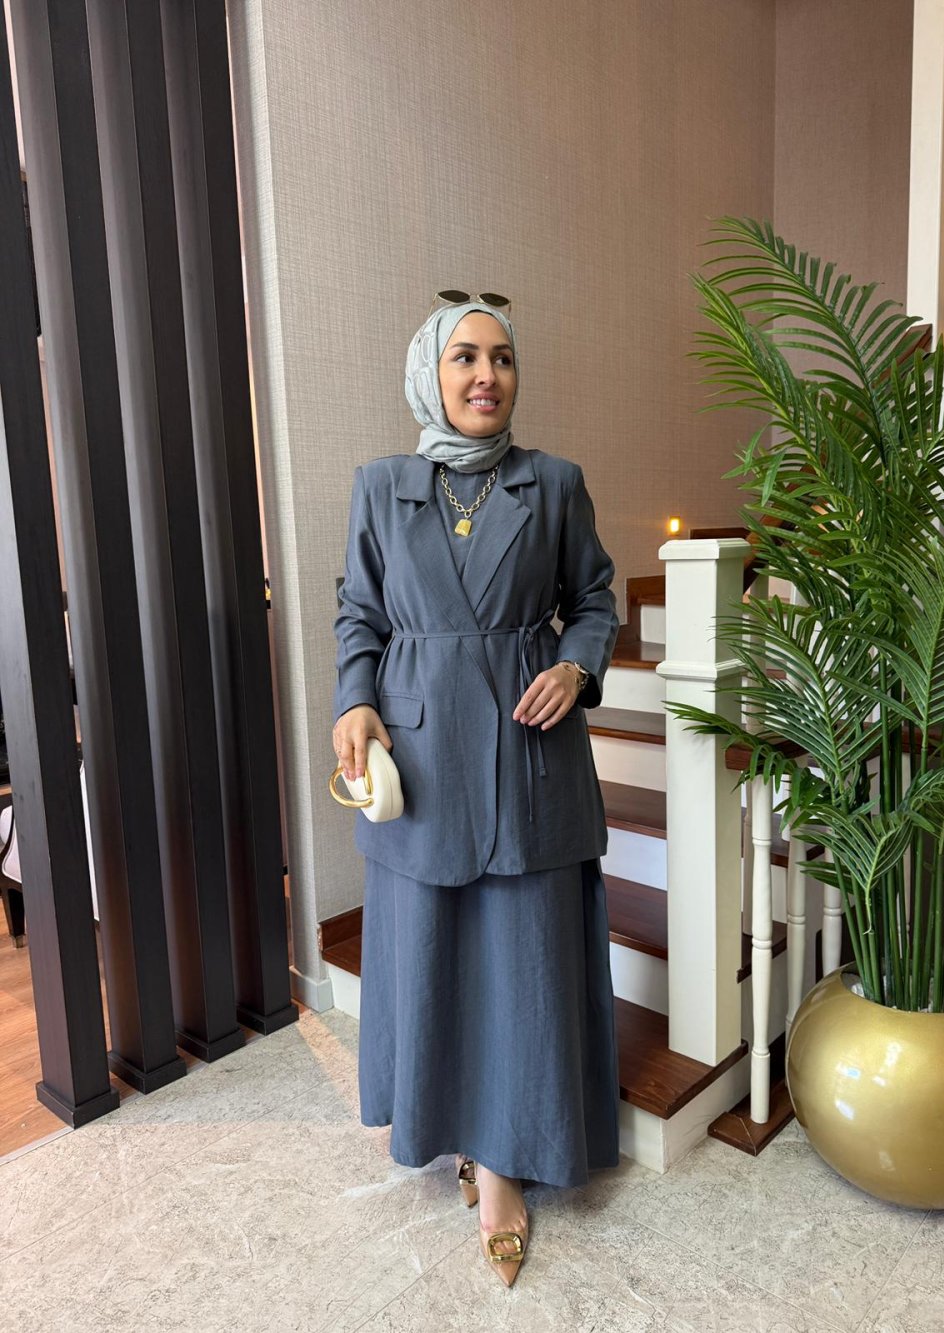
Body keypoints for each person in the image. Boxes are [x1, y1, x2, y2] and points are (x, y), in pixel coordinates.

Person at [332, 294, 620, 1287]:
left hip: (527, 747)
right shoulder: (382, 486)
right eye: (464, 356)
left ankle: (502, 1162)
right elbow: (358, 614)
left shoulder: (555, 483)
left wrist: (577, 665)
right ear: (430, 373)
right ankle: (447, 1125)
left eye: (501, 357)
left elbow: (594, 601)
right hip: (418, 753)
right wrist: (353, 702)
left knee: (521, 957)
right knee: (432, 952)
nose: (485, 374)